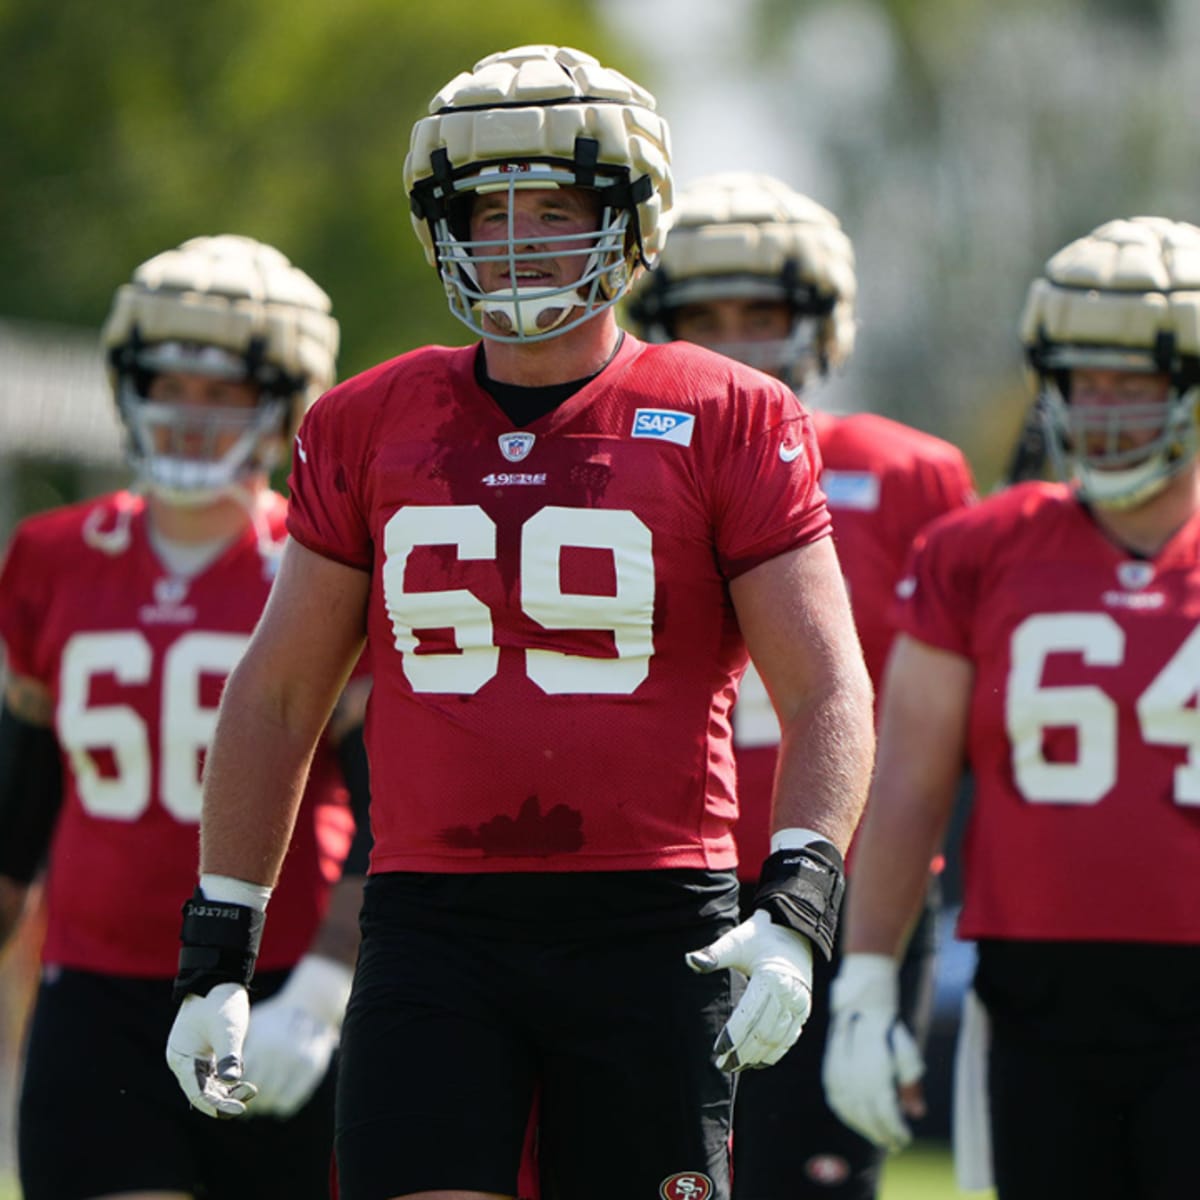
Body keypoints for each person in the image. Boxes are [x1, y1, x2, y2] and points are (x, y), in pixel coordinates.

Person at [162, 44, 876, 1200]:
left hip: (653, 915)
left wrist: (797, 903)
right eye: (485, 213)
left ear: (630, 222)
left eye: (554, 209)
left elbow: (828, 686)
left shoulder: (730, 415)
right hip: (433, 916)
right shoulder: (364, 423)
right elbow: (283, 690)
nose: (517, 241)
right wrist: (219, 948)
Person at [821, 214, 1200, 1200]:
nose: (1108, 406)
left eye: (1140, 379)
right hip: (1036, 986)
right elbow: (905, 781)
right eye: (1087, 376)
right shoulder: (977, 550)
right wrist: (864, 981)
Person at [627, 171, 976, 1199]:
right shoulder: (604, 472)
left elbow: (940, 722)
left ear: (820, 325)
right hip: (658, 883)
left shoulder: (909, 475)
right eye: (705, 317)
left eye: (764, 313)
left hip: (837, 887)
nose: (736, 340)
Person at [0, 233, 367, 1200]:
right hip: (95, 989)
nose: (192, 416)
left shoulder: (324, 560)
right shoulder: (50, 555)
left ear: (284, 401)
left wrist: (331, 982)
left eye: (227, 390)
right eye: (171, 383)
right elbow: (21, 801)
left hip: (276, 980)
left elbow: (390, 810)